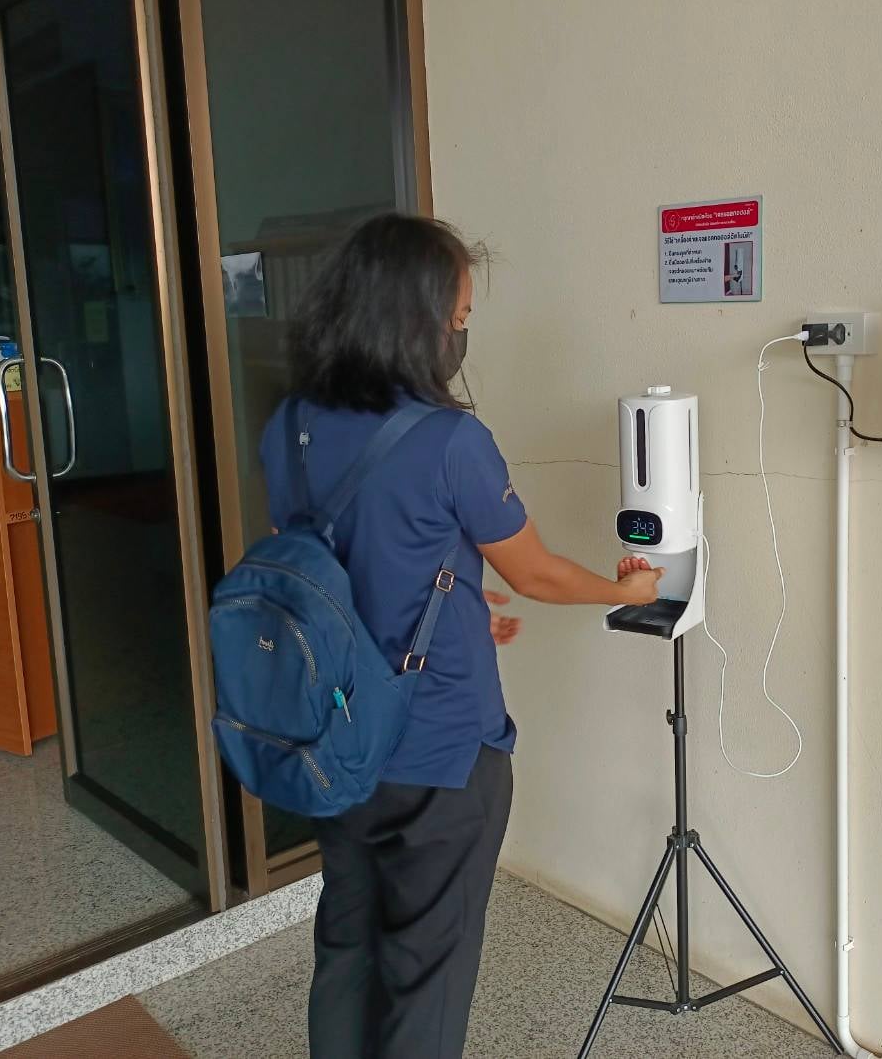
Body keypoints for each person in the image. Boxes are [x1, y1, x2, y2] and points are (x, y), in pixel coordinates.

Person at [259, 214, 663, 1058]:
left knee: (348, 946)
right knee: (425, 972)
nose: (461, 333)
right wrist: (624, 588)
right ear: (415, 321)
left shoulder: (288, 425)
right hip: (439, 749)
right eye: (459, 316)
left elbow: (327, 564)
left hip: (334, 737)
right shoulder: (450, 440)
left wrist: (459, 608)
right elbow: (537, 573)